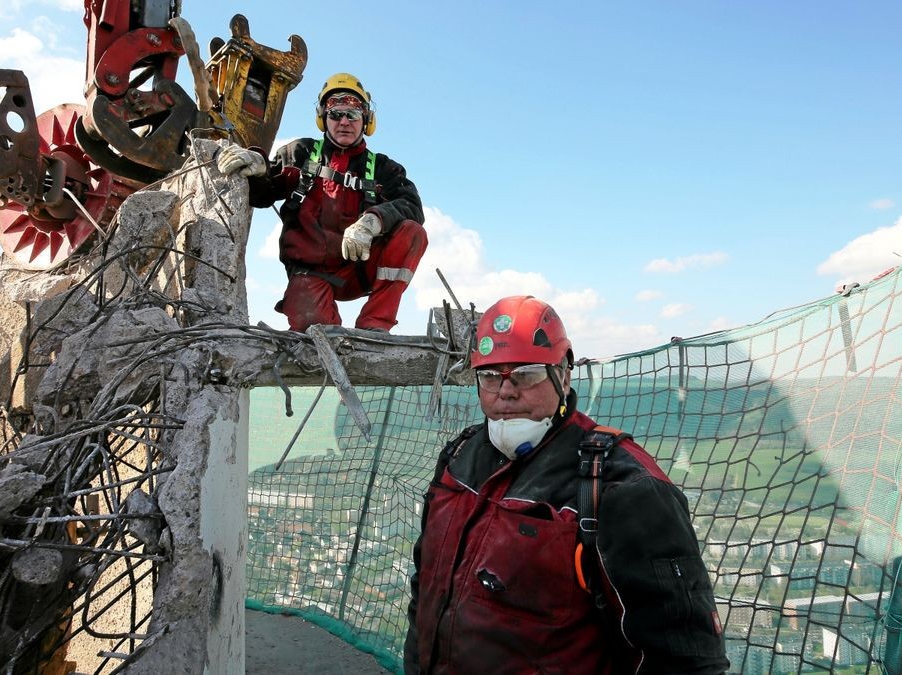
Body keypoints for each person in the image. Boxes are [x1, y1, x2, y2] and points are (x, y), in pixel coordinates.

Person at [404, 296, 729, 674]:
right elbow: (426, 589)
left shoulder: (620, 485)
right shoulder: (460, 458)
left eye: (525, 374)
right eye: (491, 375)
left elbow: (682, 659)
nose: (506, 391)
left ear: (564, 374)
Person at [216, 72, 426, 332]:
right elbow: (262, 195)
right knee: (317, 337)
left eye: (353, 114)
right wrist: (258, 167)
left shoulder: (384, 168)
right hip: (310, 273)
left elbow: (412, 206)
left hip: (359, 268)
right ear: (323, 119)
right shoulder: (300, 153)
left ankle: (375, 328)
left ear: (367, 120)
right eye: (335, 114)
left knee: (413, 233)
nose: (344, 122)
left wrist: (373, 221)